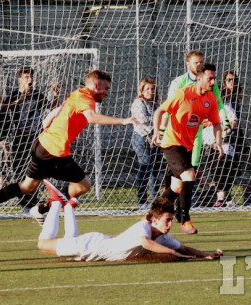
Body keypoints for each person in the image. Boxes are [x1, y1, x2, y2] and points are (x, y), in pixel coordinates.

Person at [0, 70, 137, 226]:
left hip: (41, 144)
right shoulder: (86, 98)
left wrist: (46, 126)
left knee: (27, 187)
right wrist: (123, 121)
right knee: (84, 185)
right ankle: (44, 209)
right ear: (95, 85)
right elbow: (90, 117)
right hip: (55, 151)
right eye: (106, 89)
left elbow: (53, 114)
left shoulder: (77, 94)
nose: (107, 93)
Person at [37, 181, 223, 262]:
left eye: (171, 220)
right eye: (167, 220)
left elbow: (184, 248)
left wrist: (205, 255)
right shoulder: (143, 228)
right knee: (43, 244)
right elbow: (146, 243)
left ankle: (68, 207)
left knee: (69, 240)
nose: (169, 224)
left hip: (96, 247)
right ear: (154, 220)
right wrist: (176, 254)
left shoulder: (162, 236)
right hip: (90, 247)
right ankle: (56, 204)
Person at [152, 62, 224, 234]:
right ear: (199, 79)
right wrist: (157, 132)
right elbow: (160, 111)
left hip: (186, 145)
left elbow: (216, 123)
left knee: (176, 187)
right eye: (210, 79)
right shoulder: (183, 94)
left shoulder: (211, 99)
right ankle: (185, 219)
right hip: (171, 142)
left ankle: (150, 215)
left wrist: (219, 143)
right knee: (189, 175)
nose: (213, 82)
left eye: (214, 79)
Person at [161, 50, 230, 221]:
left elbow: (217, 111)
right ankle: (183, 217)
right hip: (174, 138)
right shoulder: (180, 86)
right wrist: (161, 131)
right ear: (188, 65)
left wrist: (222, 130)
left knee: (178, 183)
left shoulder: (210, 91)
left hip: (193, 138)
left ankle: (156, 211)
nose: (199, 64)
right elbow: (165, 109)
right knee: (188, 175)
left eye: (201, 62)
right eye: (196, 62)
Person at [0, 67, 61, 213]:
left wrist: (56, 94)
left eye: (31, 77)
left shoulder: (37, 95)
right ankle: (25, 204)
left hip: (35, 138)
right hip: (18, 138)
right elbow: (2, 104)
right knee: (19, 172)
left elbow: (51, 107)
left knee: (36, 171)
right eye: (27, 77)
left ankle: (34, 202)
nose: (30, 80)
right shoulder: (15, 95)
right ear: (20, 80)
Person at [201, 100, 239, 207]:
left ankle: (221, 198)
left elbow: (234, 121)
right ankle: (224, 197)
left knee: (221, 169)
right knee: (213, 172)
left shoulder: (224, 107)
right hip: (206, 144)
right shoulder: (201, 105)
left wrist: (226, 129)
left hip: (223, 143)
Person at [130, 78, 160, 209]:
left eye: (153, 89)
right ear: (142, 90)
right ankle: (142, 200)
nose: (151, 91)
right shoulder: (139, 102)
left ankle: (155, 200)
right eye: (147, 89)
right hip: (141, 138)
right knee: (145, 167)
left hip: (155, 140)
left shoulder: (155, 105)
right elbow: (142, 119)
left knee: (155, 170)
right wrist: (159, 120)